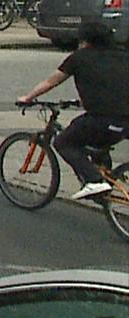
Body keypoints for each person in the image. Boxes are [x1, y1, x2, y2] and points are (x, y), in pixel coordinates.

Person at [17, 23, 129, 201]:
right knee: (96, 136)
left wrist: (28, 97)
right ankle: (105, 174)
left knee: (64, 142)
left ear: (85, 40)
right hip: (124, 121)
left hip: (103, 120)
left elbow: (51, 82)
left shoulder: (78, 58)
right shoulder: (123, 56)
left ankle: (94, 181)